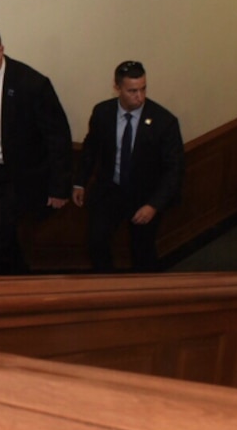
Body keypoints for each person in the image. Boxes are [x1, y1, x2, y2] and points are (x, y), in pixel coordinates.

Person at [0, 22, 72, 274]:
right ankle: (9, 287)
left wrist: (60, 186)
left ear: (0, 51)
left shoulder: (31, 84)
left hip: (17, 176)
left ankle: (9, 287)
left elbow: (58, 137)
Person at [72, 61, 183, 272]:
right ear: (117, 87)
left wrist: (154, 205)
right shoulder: (103, 112)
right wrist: (80, 182)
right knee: (96, 242)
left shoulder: (164, 121)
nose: (139, 96)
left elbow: (174, 169)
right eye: (132, 90)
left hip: (145, 196)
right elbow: (91, 148)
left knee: (143, 250)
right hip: (109, 191)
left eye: (143, 89)